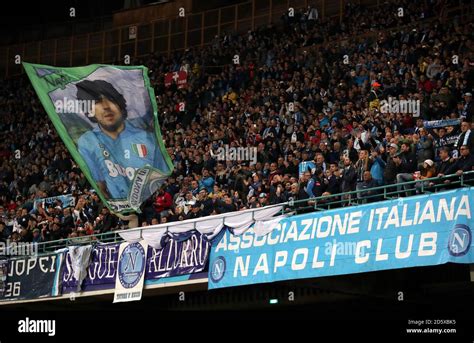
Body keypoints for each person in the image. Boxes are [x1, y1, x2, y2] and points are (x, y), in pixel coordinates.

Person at [75, 79, 171, 199]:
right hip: (121, 209)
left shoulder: (147, 137)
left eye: (111, 99)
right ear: (89, 110)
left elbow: (162, 177)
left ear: (120, 105)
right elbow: (101, 187)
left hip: (149, 203)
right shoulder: (87, 142)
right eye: (98, 101)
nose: (106, 107)